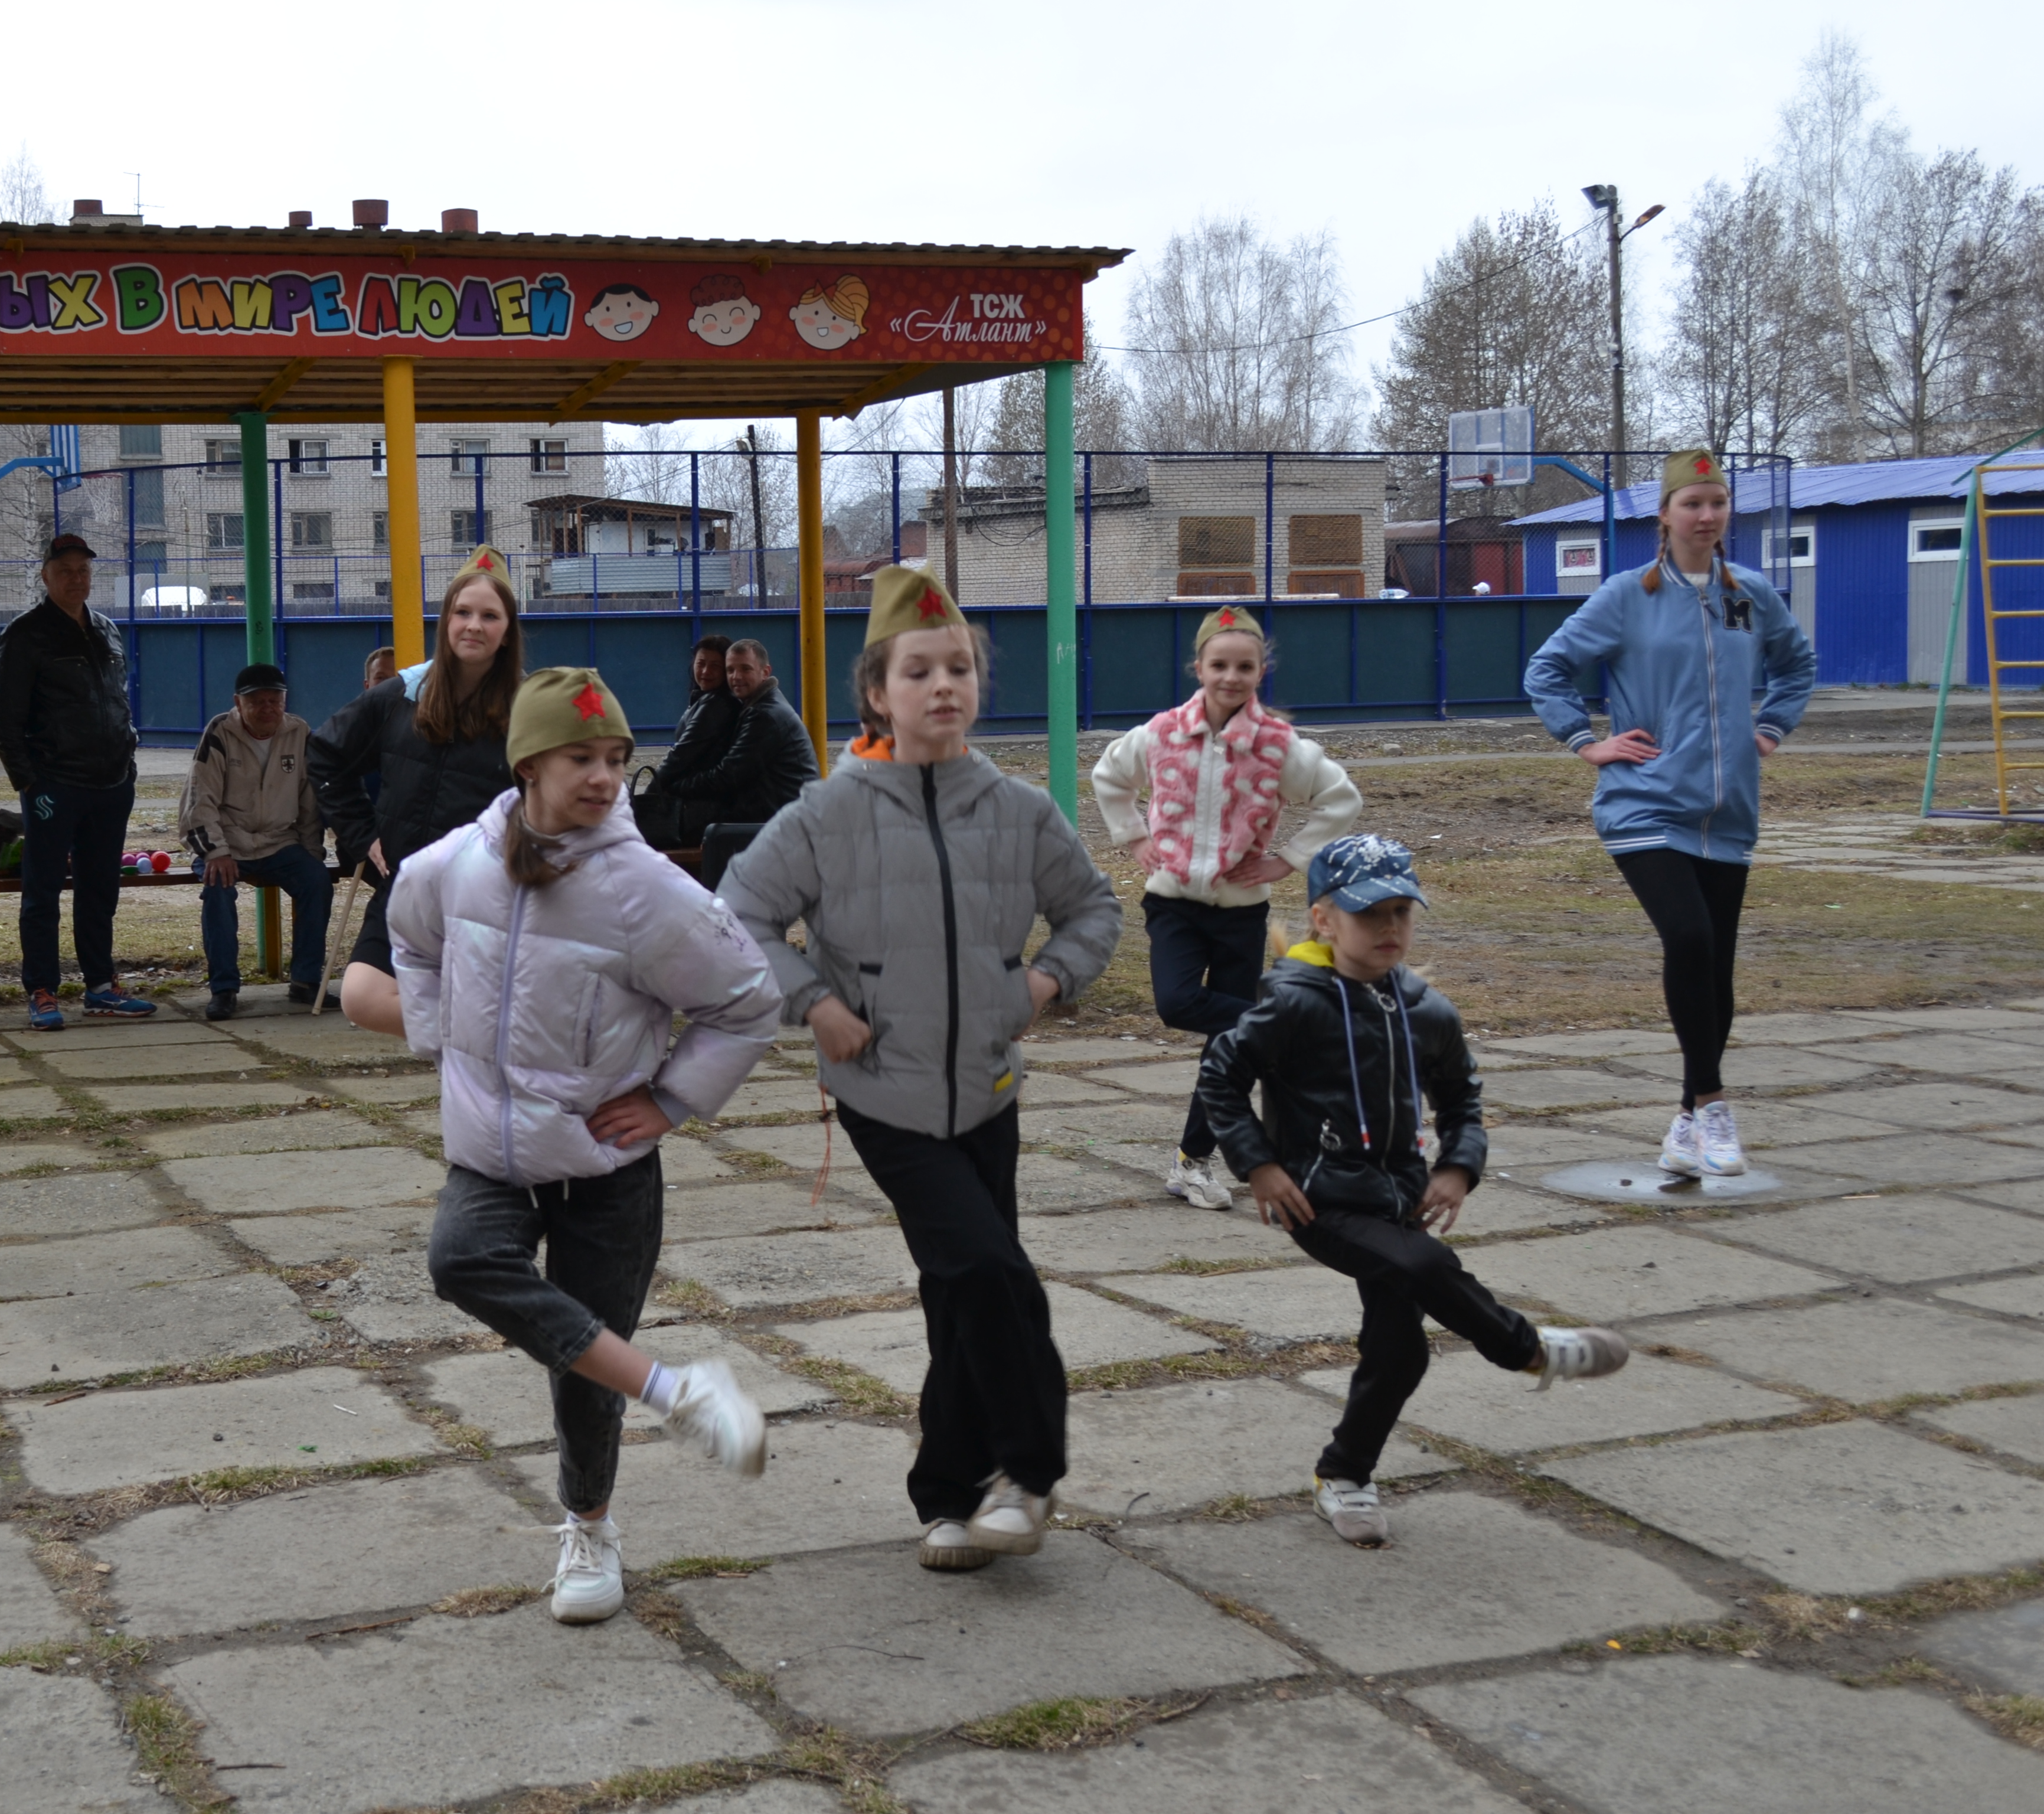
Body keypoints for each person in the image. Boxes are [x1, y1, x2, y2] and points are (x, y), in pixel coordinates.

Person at [720, 567, 1122, 1571]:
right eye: (918, 670)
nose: (942, 685)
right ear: (876, 693)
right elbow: (736, 914)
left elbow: (1094, 910)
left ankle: (945, 1495)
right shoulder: (825, 813)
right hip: (882, 1092)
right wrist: (812, 1002)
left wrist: (1041, 985)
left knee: (958, 1292)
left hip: (986, 1088)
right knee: (988, 1269)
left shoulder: (1020, 811)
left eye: (958, 668)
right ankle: (1029, 1475)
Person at [400, 667, 782, 1624]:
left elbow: (747, 1003)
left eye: (616, 758)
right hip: (490, 1151)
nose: (605, 776)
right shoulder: (456, 862)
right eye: (581, 758)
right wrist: (436, 1033)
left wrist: (668, 1101)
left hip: (607, 1165)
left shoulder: (645, 891)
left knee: (581, 1372)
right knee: (458, 1257)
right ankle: (674, 1387)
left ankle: (590, 1531)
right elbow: (409, 937)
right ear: (527, 763)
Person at [1197, 836, 1630, 1547]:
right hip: (1319, 1200)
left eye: (1403, 912)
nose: (1391, 929)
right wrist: (1259, 1165)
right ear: (1325, 920)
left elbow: (1463, 1096)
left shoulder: (1426, 1009)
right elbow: (1221, 1075)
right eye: (1372, 915)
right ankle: (1529, 1351)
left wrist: (1458, 1165)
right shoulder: (1293, 1003)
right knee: (1422, 1266)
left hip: (1397, 1201)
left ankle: (1343, 1476)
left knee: (1400, 1352)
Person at [1524, 450, 1816, 1179]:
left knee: (1715, 963)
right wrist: (1587, 742)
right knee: (1687, 937)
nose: (1707, 516)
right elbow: (1548, 669)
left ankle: (1689, 1123)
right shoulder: (1628, 595)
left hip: (1729, 811)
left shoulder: (1748, 593)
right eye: (1693, 504)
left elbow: (1797, 664)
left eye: (1717, 503)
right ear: (1664, 515)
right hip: (1644, 802)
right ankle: (1715, 1103)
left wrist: (1771, 729)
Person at [1089, 606, 1360, 1209]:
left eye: (1245, 666)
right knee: (1179, 1003)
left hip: (1241, 910)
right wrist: (1135, 839)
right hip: (1174, 904)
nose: (1231, 677)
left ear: (1262, 671)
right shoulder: (1161, 734)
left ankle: (1194, 1163)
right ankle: (1285, 1023)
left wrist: (1288, 859)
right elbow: (1110, 775)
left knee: (1228, 1048)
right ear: (1198, 667)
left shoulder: (1276, 746)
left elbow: (1340, 798)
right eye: (1219, 665)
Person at [306, 547, 524, 1037]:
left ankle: (495, 1038)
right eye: (462, 612)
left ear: (508, 631)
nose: (474, 625)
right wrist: (361, 835)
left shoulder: (529, 707)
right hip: (407, 891)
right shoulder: (400, 694)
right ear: (446, 621)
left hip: (487, 903)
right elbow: (324, 754)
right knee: (361, 998)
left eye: (490, 616)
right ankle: (495, 1030)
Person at [0, 532, 155, 1031]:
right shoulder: (25, 635)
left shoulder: (106, 629)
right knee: (42, 891)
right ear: (46, 575)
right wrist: (30, 785)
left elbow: (116, 700)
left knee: (100, 889)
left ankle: (101, 986)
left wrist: (129, 759)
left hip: (111, 783)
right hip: (54, 786)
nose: (76, 579)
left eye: (83, 571)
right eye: (65, 571)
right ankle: (41, 989)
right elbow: (3, 719)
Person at [178, 664, 332, 1019]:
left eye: (275, 700)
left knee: (317, 882)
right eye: (257, 701)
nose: (268, 708)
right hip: (227, 841)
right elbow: (199, 801)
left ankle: (306, 981)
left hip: (280, 842)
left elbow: (310, 802)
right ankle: (224, 989)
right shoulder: (219, 731)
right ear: (238, 703)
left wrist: (312, 853)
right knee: (217, 890)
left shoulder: (300, 732)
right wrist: (216, 851)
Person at [662, 638, 819, 886]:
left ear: (765, 672)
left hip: (778, 821)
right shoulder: (758, 707)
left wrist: (675, 787)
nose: (736, 677)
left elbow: (727, 776)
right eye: (731, 670)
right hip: (778, 813)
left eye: (745, 669)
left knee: (679, 829)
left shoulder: (764, 715)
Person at [634, 634, 737, 850]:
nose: (706, 672)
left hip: (698, 812)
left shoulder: (717, 705)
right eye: (701, 664)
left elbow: (680, 756)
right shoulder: (708, 699)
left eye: (715, 666)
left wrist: (649, 797)